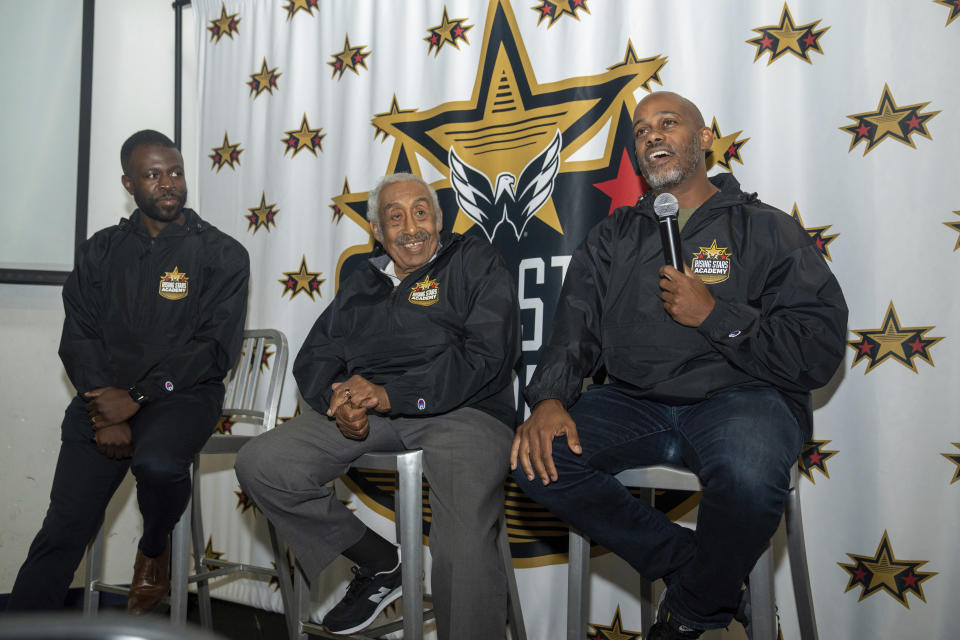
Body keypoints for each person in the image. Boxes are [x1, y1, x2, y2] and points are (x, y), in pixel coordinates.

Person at [510, 92, 847, 640]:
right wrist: (548, 399)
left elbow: (817, 345)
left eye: (668, 123)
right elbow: (573, 332)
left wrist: (716, 316)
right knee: (536, 459)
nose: (652, 136)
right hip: (633, 401)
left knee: (748, 472)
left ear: (705, 136)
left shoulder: (765, 228)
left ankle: (688, 613)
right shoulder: (612, 236)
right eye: (642, 131)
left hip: (742, 399)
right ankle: (702, 575)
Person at [235, 173, 521, 639]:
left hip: (465, 411)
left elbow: (488, 355)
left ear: (439, 218)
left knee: (461, 542)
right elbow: (317, 355)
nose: (411, 227)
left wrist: (392, 395)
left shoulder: (474, 260)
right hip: (375, 412)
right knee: (265, 463)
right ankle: (380, 564)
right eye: (395, 217)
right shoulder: (362, 280)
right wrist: (339, 397)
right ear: (376, 231)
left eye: (421, 212)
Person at [7, 130, 249, 614]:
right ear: (128, 183)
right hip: (103, 402)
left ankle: (154, 549)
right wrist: (105, 410)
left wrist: (137, 396)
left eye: (175, 173)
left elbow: (212, 349)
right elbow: (79, 335)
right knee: (62, 530)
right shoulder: (99, 251)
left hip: (181, 399)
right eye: (153, 175)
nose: (168, 184)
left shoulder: (223, 253)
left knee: (157, 464)